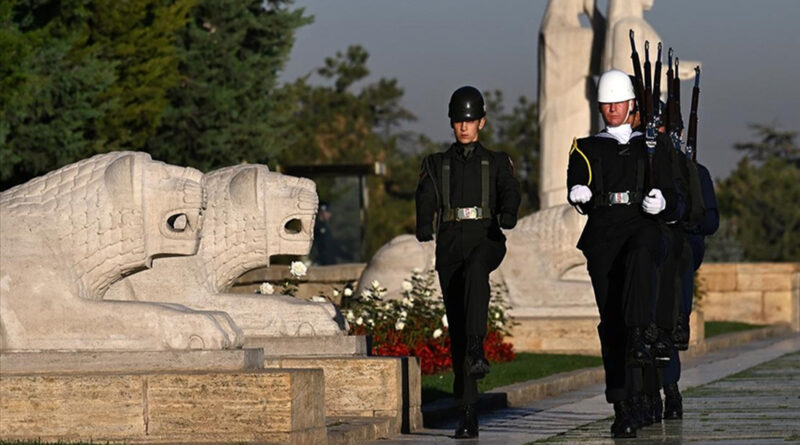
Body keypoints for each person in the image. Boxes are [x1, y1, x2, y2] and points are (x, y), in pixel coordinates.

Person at [566, 69, 681, 438]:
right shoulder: (585, 147)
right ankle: (623, 404)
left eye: (618, 102)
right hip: (603, 235)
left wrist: (662, 200)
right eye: (606, 103)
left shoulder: (653, 146)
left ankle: (643, 336)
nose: (612, 109)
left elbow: (675, 193)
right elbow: (576, 177)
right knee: (612, 324)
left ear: (631, 104)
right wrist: (578, 192)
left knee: (643, 251)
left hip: (641, 226)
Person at [415, 86, 521, 439]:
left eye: (470, 120)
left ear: (482, 122)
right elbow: (426, 196)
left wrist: (508, 213)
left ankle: (478, 346)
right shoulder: (436, 164)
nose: (464, 127)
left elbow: (510, 190)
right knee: (457, 326)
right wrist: (422, 224)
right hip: (450, 245)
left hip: (487, 239)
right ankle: (468, 411)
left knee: (478, 268)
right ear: (452, 123)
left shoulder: (496, 161)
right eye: (459, 121)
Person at [661, 159, 719, 419]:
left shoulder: (696, 172)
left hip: (678, 253)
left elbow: (710, 221)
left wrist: (686, 218)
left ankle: (670, 387)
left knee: (671, 316)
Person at [312, 201, 349, 265]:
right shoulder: (316, 227)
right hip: (321, 263)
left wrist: (346, 255)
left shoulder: (325, 227)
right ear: (322, 212)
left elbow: (332, 245)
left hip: (329, 262)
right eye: (328, 212)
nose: (329, 215)